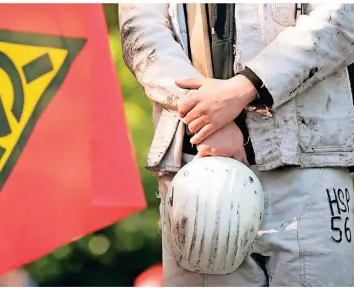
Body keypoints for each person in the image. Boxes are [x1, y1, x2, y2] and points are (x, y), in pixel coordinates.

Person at [119, 3, 354, 286]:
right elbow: (141, 31)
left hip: (305, 159)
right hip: (196, 169)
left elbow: (343, 16)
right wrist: (205, 117)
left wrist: (243, 89)